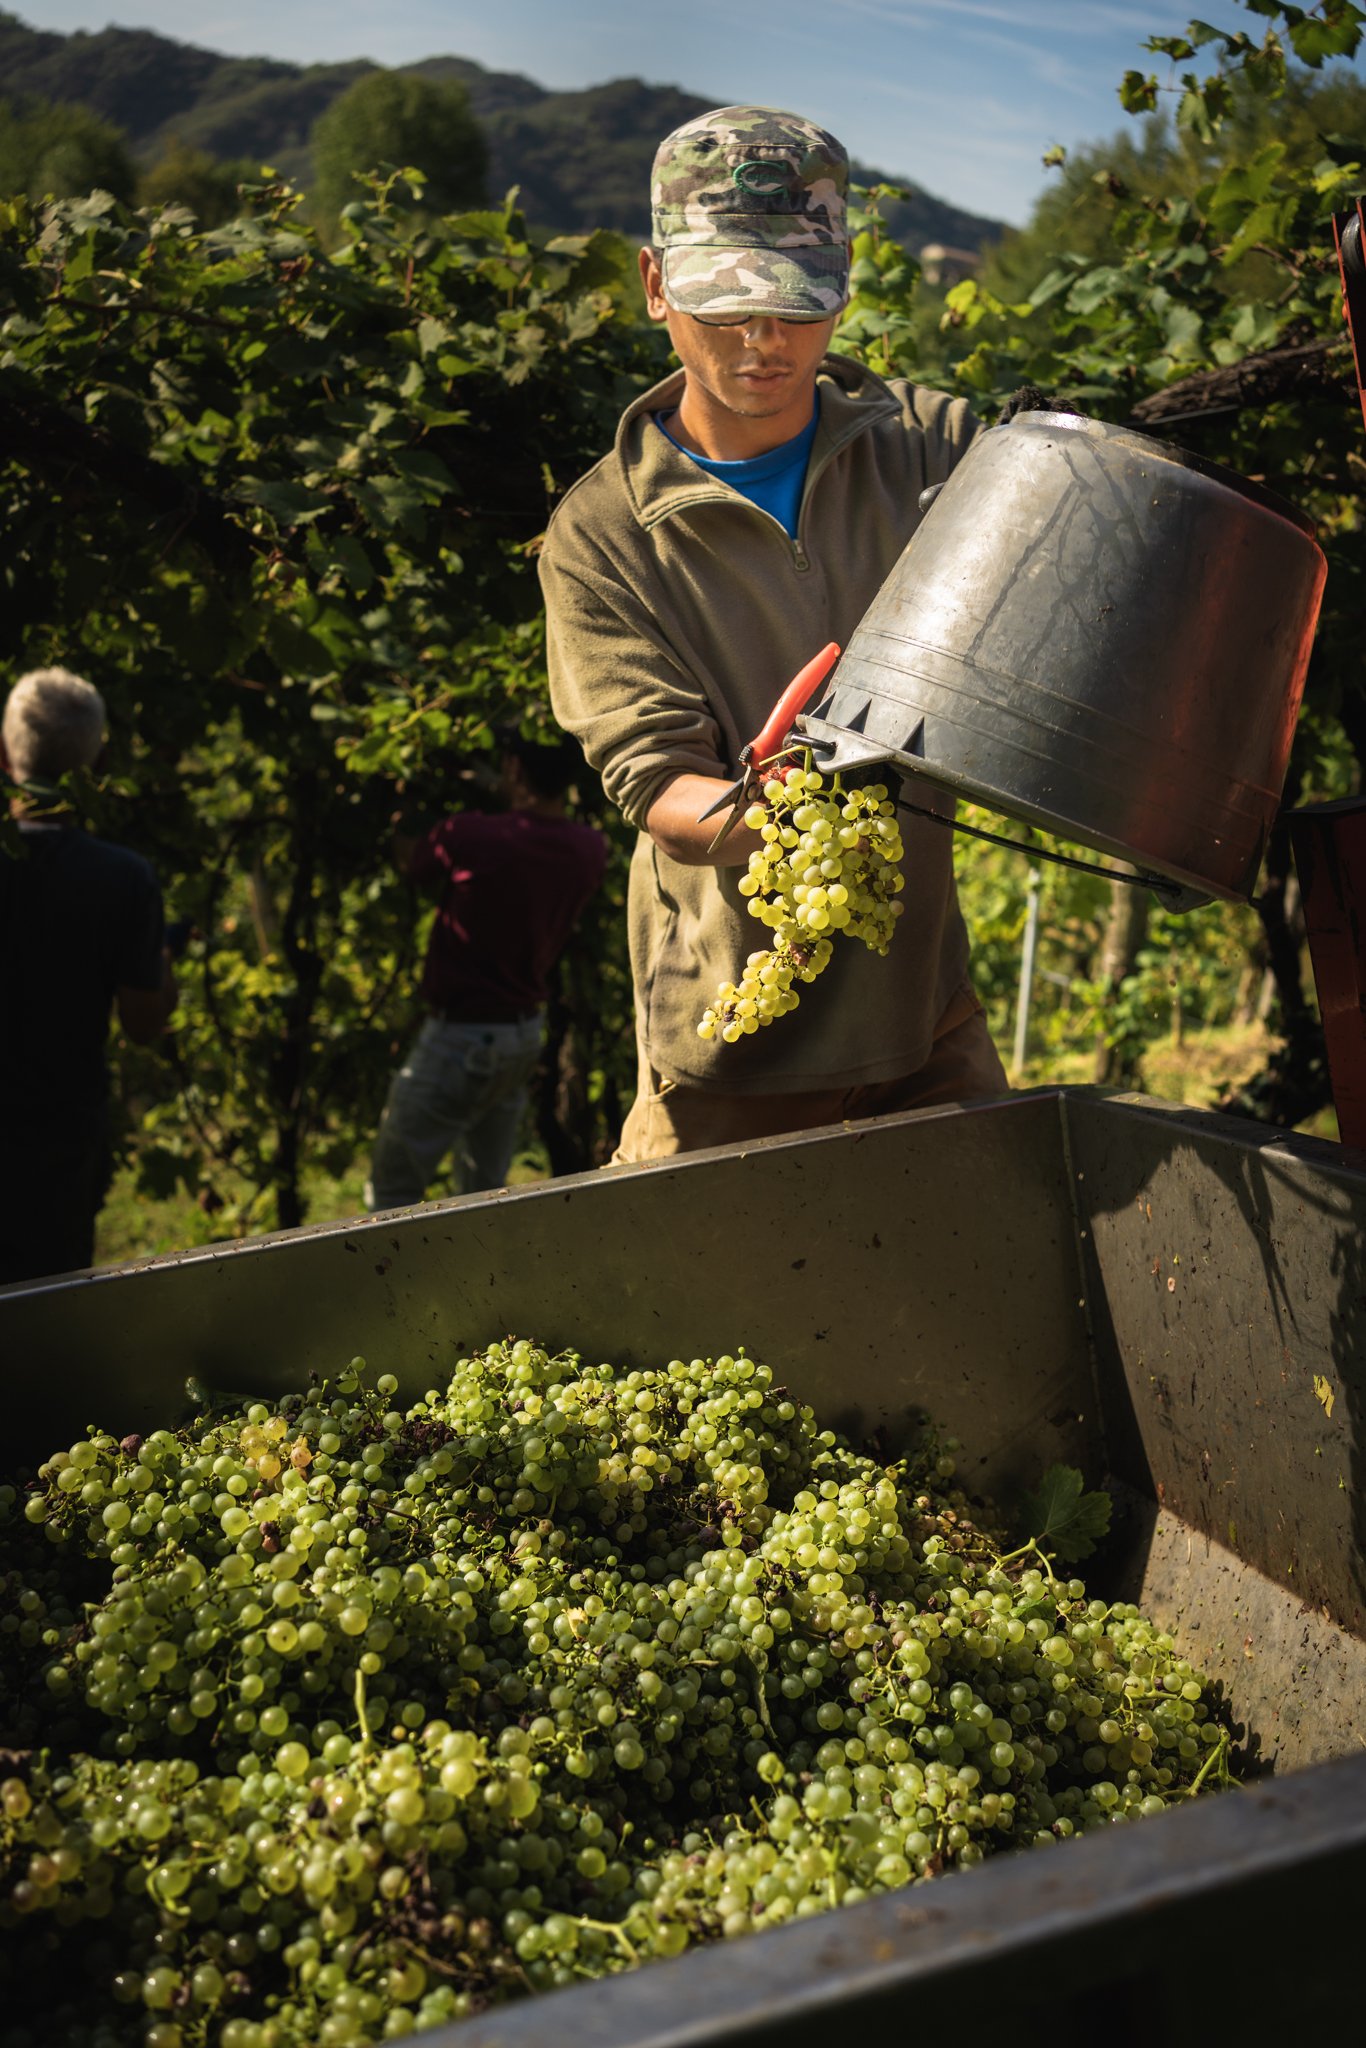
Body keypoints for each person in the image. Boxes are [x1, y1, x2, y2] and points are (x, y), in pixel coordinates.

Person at [538, 105, 1008, 1162]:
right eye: (726, 305)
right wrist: (768, 808)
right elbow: (658, 785)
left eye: (796, 307)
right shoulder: (602, 534)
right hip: (726, 1058)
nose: (763, 341)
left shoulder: (931, 450)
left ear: (841, 285)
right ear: (656, 286)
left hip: (927, 1023)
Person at [365, 735, 608, 1211]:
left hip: (458, 1039)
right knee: (484, 1194)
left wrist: (399, 812)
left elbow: (413, 863)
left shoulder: (469, 835)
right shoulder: (588, 849)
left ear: (515, 769)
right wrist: (506, 783)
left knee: (392, 1193)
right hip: (521, 1037)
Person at [0, 667, 176, 1285]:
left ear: (3, 752)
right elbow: (142, 1024)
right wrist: (160, 953)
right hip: (59, 1141)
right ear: (97, 762)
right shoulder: (123, 879)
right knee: (45, 1316)